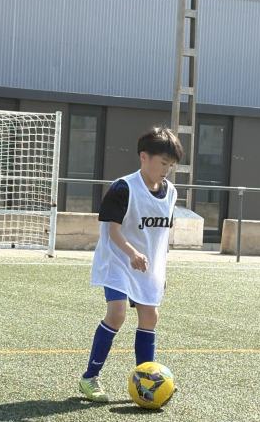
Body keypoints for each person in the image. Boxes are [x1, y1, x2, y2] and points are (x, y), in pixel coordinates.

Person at [78, 126, 183, 402]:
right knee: (117, 314)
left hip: (146, 266)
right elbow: (112, 230)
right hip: (117, 260)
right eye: (163, 163)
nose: (167, 170)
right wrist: (132, 253)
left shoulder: (171, 192)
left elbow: (161, 237)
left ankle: (146, 379)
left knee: (150, 317)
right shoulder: (123, 187)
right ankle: (89, 378)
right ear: (144, 157)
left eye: (171, 165)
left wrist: (161, 270)